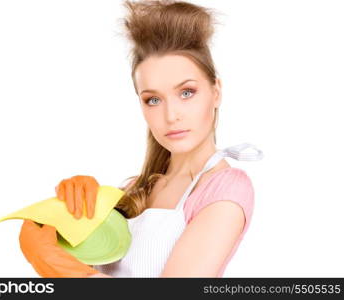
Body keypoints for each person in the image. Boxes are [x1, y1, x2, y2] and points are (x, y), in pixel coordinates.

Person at [18, 0, 264, 278]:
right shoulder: (135, 189)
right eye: (153, 99)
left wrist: (59, 268)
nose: (171, 115)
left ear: (216, 91)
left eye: (186, 92)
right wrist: (63, 216)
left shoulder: (226, 189)